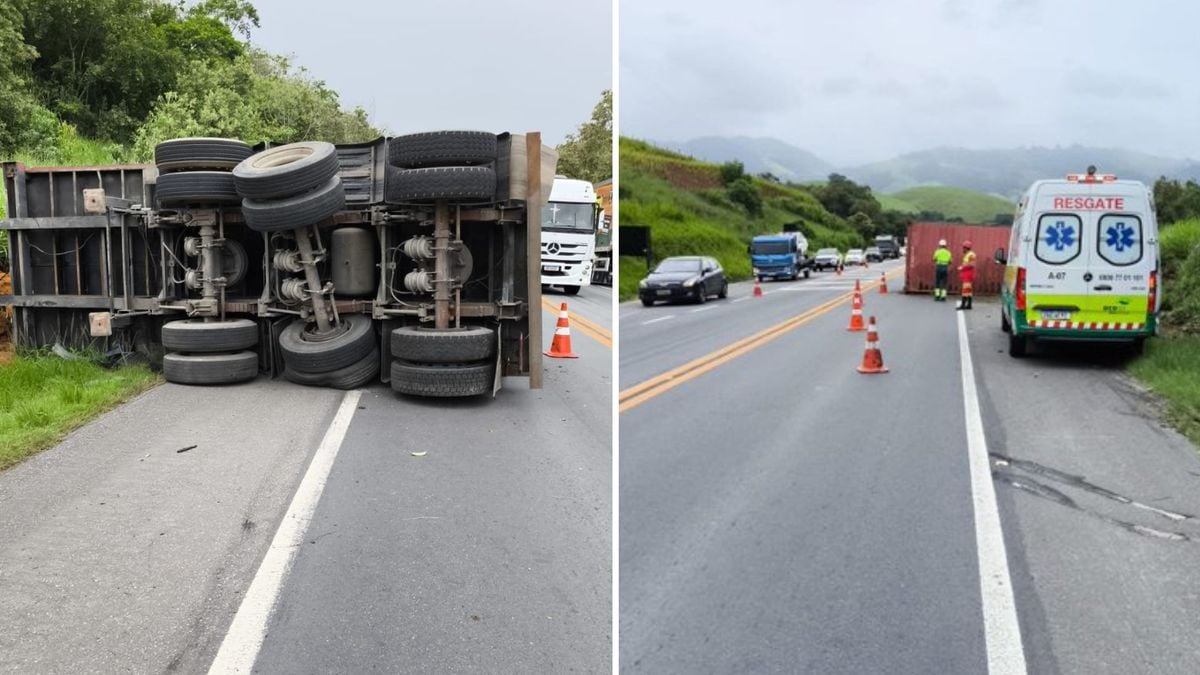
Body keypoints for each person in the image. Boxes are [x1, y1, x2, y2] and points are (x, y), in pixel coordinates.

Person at [957, 240, 976, 310]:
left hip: (968, 275)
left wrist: (962, 267)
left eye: (963, 248)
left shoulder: (971, 255)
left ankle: (963, 305)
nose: (963, 249)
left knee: (965, 290)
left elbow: (972, 264)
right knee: (968, 290)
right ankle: (969, 305)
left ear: (966, 248)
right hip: (966, 274)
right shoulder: (968, 254)